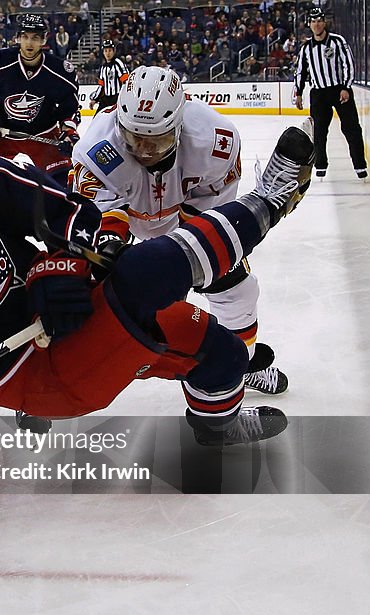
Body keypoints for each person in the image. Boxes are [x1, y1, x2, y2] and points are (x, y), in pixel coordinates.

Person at [0, 126, 315, 519]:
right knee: (138, 280)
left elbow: (57, 209)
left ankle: (216, 427)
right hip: (37, 377)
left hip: (71, 318)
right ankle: (268, 203)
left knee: (219, 350)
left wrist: (73, 258)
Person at [69, 66, 289, 396]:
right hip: (126, 220)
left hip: (186, 217)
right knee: (85, 295)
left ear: (178, 125)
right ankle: (56, 379)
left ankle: (239, 368)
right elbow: (101, 214)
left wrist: (179, 264)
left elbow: (211, 213)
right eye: (134, 138)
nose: (143, 150)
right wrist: (110, 244)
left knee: (239, 290)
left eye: (155, 140)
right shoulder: (98, 148)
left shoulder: (216, 140)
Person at [0, 13, 81, 181]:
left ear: (44, 40)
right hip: (2, 134)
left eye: (35, 37)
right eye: (25, 37)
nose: (29, 42)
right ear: (18, 38)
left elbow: (70, 107)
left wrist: (68, 131)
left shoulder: (60, 72)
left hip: (44, 134)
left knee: (64, 183)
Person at [293, 6, 368, 180]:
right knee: (319, 131)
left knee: (352, 128)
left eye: (319, 21)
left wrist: (346, 87)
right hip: (318, 94)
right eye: (313, 21)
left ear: (324, 22)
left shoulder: (337, 41)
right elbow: (301, 72)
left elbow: (348, 64)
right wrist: (298, 93)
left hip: (339, 91)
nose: (317, 24)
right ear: (309, 25)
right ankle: (320, 165)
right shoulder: (306, 48)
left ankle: (359, 165)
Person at [88, 39, 129, 110]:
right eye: (106, 51)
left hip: (118, 98)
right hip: (106, 100)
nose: (108, 53)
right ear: (103, 52)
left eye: (110, 50)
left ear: (114, 51)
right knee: (97, 120)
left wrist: (124, 98)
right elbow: (101, 86)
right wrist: (95, 100)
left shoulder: (118, 63)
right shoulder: (103, 67)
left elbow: (126, 81)